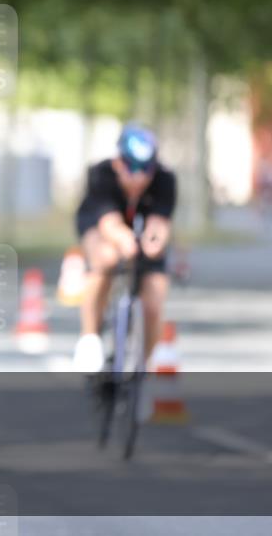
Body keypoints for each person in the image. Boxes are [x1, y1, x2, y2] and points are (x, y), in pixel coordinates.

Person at [73, 124, 177, 373]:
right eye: (132, 168)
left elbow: (159, 223)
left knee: (155, 296)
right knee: (106, 259)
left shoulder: (165, 179)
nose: (139, 177)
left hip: (139, 229)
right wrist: (125, 242)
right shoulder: (101, 174)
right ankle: (89, 338)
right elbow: (109, 223)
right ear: (119, 163)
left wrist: (155, 242)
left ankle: (145, 365)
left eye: (146, 170)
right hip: (102, 226)